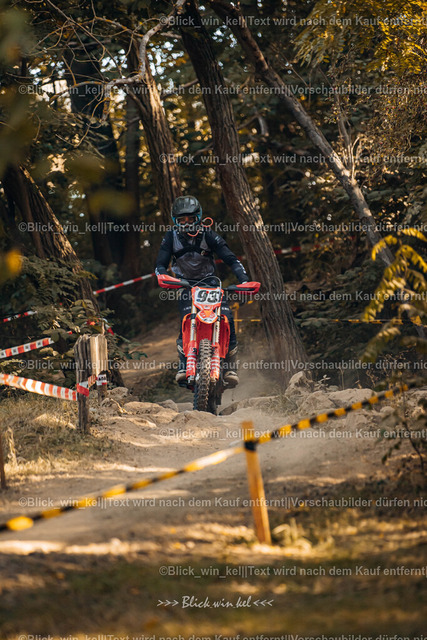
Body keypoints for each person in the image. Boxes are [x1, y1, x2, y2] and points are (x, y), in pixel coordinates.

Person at [155, 195, 249, 386]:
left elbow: (231, 259)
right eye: (182, 220)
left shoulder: (209, 235)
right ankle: (184, 365)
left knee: (227, 319)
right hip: (185, 284)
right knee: (187, 320)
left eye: (190, 218)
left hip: (210, 284)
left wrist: (244, 281)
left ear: (198, 217)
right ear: (175, 220)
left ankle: (230, 367)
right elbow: (160, 264)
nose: (186, 223)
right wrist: (163, 277)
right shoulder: (171, 236)